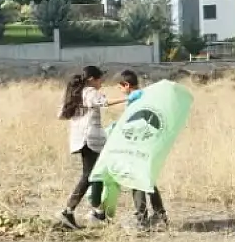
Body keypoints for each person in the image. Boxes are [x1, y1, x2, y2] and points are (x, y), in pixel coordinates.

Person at [115, 70, 167, 229]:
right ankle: (159, 214)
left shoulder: (136, 98)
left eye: (120, 88)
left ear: (127, 85)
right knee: (147, 178)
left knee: (137, 179)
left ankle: (141, 219)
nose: (120, 91)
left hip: (139, 142)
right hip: (148, 140)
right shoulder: (146, 96)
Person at [57, 65, 108, 230]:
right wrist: (128, 98)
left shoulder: (77, 92)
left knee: (94, 174)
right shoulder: (89, 91)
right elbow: (102, 102)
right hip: (90, 139)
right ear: (93, 79)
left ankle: (97, 212)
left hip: (81, 138)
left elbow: (62, 114)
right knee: (89, 175)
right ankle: (68, 211)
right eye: (100, 79)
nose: (101, 83)